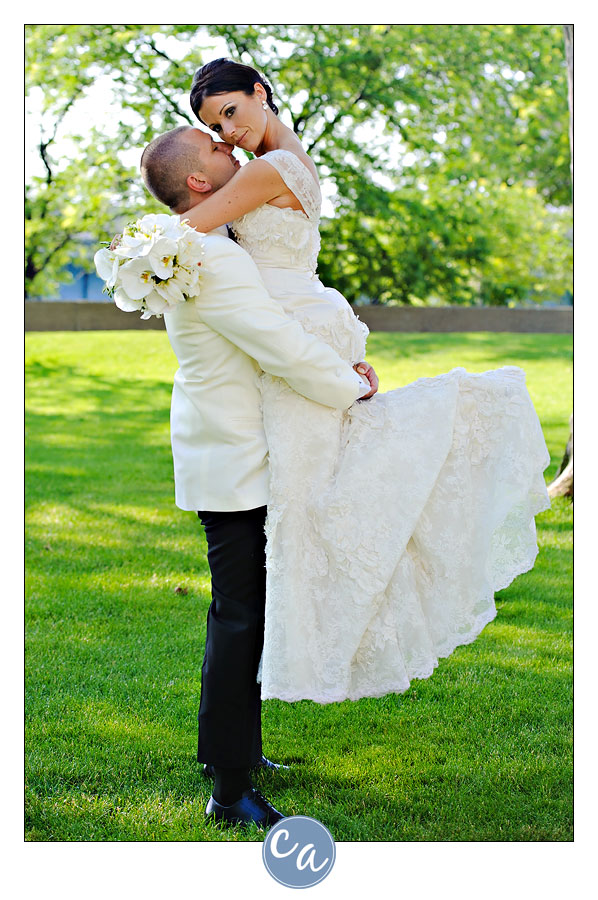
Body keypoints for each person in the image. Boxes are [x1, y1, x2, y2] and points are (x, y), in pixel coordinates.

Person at [177, 58, 551, 705]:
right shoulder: (291, 159)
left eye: (230, 113)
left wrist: (144, 249)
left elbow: (185, 231)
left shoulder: (268, 170)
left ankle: (306, 659)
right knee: (312, 511)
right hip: (304, 334)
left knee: (308, 515)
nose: (228, 133)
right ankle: (287, 676)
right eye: (214, 127)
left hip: (293, 344)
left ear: (259, 91)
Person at [139, 125, 377, 827]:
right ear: (202, 184)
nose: (229, 149)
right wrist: (350, 387)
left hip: (231, 449)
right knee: (240, 616)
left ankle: (237, 751)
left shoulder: (203, 246)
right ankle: (230, 790)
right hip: (237, 459)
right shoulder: (211, 257)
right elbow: (276, 343)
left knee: (244, 612)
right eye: (215, 148)